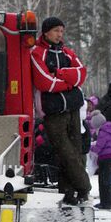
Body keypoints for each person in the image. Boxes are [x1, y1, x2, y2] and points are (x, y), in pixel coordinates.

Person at [29, 16, 91, 205]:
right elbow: (44, 81)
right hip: (52, 112)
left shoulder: (68, 53)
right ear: (46, 32)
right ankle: (84, 186)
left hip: (72, 109)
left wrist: (59, 74)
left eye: (62, 31)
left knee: (75, 149)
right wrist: (68, 84)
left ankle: (68, 192)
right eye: (56, 31)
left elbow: (81, 73)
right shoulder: (37, 53)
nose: (59, 35)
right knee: (65, 151)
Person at [89, 111, 111, 209]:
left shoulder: (103, 131)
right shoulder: (110, 128)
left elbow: (99, 147)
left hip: (105, 157)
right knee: (108, 180)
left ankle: (105, 203)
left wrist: (90, 148)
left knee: (103, 181)